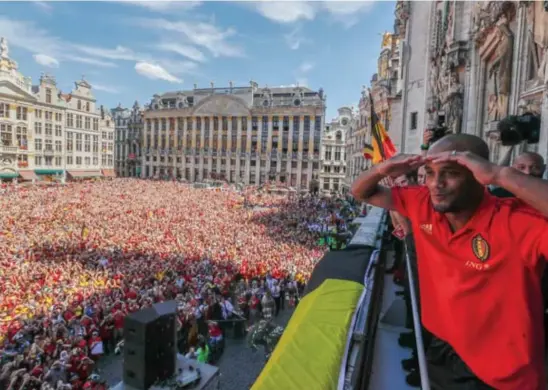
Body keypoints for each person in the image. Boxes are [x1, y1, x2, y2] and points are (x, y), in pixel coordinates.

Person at [351, 134, 548, 390]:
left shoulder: (517, 221)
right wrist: (383, 169)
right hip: (443, 351)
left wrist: (500, 175)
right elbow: (361, 191)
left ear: (480, 175)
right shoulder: (423, 203)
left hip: (503, 375)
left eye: (450, 173)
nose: (435, 184)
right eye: (430, 173)